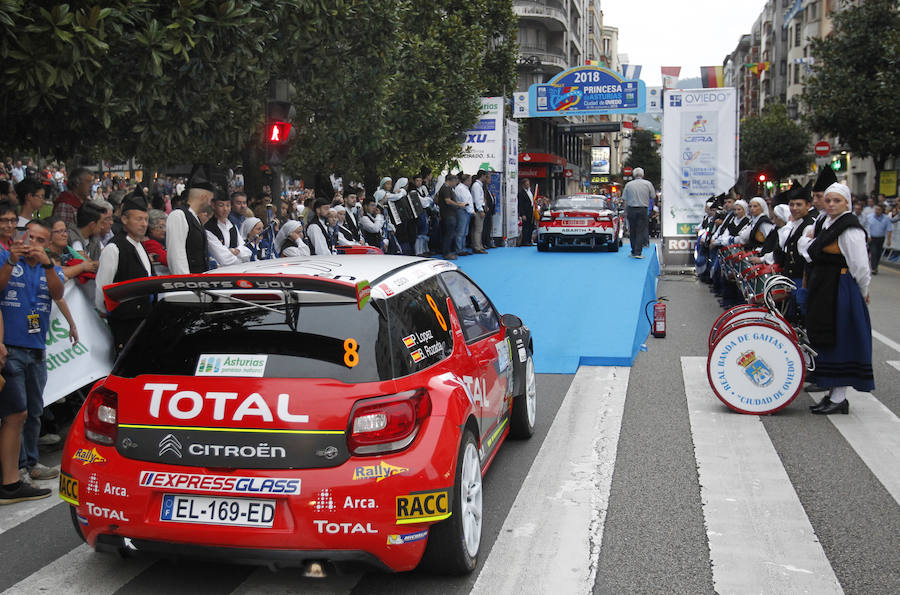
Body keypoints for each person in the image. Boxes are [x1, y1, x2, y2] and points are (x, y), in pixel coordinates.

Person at [0, 219, 66, 488]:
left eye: (41, 241)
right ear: (21, 238)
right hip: (11, 348)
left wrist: (48, 264)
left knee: (34, 410)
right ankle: (15, 470)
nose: (34, 246)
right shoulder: (7, 258)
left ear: (47, 244)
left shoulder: (50, 267)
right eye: (31, 239)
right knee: (17, 412)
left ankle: (30, 463)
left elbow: (58, 292)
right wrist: (11, 262)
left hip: (37, 348)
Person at [803, 183, 873, 415]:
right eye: (829, 200)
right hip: (826, 286)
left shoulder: (850, 229)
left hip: (841, 288)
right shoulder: (828, 223)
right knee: (828, 338)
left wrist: (862, 292)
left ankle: (840, 397)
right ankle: (833, 394)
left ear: (847, 203)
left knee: (841, 339)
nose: (831, 204)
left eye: (837, 201)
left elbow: (861, 266)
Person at [95, 198, 153, 354]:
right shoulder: (114, 248)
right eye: (138, 219)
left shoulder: (140, 246)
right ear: (124, 219)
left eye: (146, 219)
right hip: (124, 322)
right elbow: (103, 288)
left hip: (143, 319)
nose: (144, 224)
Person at [166, 181, 214, 274]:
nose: (210, 204)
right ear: (204, 198)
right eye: (210, 200)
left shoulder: (195, 218)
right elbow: (176, 255)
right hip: (188, 283)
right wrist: (185, 284)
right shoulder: (179, 215)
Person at [205, 193, 250, 267]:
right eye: (221, 205)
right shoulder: (209, 229)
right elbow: (224, 259)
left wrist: (235, 251)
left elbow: (246, 251)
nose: (225, 209)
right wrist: (241, 261)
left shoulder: (232, 226)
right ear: (213, 206)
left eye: (228, 205)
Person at [622, 167, 656, 258]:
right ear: (643, 175)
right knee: (640, 230)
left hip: (631, 208)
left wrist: (625, 211)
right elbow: (653, 195)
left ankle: (633, 250)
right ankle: (638, 252)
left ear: (633, 175)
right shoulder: (648, 184)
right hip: (643, 209)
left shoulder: (628, 185)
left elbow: (624, 198)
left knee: (632, 230)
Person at [438, 174, 462, 259]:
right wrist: (458, 204)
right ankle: (446, 253)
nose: (455, 184)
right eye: (455, 182)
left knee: (448, 234)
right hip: (448, 215)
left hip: (449, 214)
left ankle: (447, 251)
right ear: (451, 181)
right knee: (449, 234)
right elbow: (447, 201)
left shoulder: (446, 188)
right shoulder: (446, 188)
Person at [866, 204, 891, 274]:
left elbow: (889, 229)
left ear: (882, 211)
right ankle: (873, 268)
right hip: (872, 238)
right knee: (873, 252)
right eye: (876, 209)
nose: (877, 211)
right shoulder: (869, 217)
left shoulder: (886, 218)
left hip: (881, 238)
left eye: (879, 210)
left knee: (878, 253)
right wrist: (868, 236)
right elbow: (867, 227)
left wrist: (889, 240)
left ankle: (876, 266)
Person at [454, 174, 473, 256]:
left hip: (465, 211)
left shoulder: (464, 188)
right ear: (466, 181)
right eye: (470, 180)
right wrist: (471, 211)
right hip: (462, 210)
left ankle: (463, 248)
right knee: (461, 231)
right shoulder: (461, 188)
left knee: (464, 231)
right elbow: (465, 202)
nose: (471, 182)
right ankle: (459, 249)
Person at [469, 171, 488, 254]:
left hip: (479, 208)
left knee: (477, 229)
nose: (486, 178)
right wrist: (480, 210)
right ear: (482, 176)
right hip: (478, 209)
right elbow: (477, 200)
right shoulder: (476, 186)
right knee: (478, 229)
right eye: (485, 176)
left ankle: (478, 245)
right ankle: (477, 247)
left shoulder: (478, 185)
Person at [517, 178, 534, 247]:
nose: (528, 185)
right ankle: (525, 241)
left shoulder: (530, 192)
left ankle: (529, 240)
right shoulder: (521, 193)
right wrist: (522, 214)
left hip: (531, 211)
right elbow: (520, 204)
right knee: (525, 227)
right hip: (526, 212)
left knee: (531, 226)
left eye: (528, 184)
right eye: (526, 184)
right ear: (523, 185)